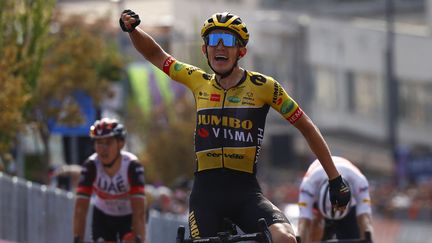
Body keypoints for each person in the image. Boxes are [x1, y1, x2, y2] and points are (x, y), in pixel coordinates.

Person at [119, 10, 351, 243]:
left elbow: (307, 127)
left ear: (241, 51)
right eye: (213, 41)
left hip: (246, 193)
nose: (220, 47)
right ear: (205, 50)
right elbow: (155, 54)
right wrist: (132, 29)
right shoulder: (197, 80)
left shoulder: (264, 86)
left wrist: (335, 179)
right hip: (205, 197)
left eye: (228, 41)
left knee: (286, 239)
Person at [73, 118, 146, 243]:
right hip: (103, 215)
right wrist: (77, 239)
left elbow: (139, 212)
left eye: (108, 143)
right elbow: (80, 209)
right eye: (99, 143)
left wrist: (139, 238)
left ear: (120, 144)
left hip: (129, 216)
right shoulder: (90, 166)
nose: (103, 148)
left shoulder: (132, 166)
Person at [297, 156, 373, 243]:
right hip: (320, 211)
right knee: (314, 228)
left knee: (357, 233)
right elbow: (304, 222)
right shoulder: (308, 184)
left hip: (349, 209)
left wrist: (368, 237)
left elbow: (364, 218)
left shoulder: (359, 182)